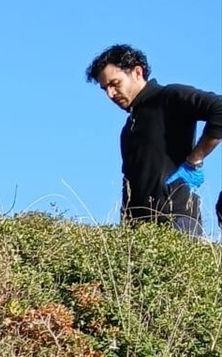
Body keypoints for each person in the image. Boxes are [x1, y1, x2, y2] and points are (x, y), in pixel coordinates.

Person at [85, 44, 222, 236]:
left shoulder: (169, 97)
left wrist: (195, 160)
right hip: (136, 232)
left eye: (115, 83)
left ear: (137, 72)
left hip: (176, 220)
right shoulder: (129, 127)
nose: (110, 94)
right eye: (105, 88)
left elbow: (219, 108)